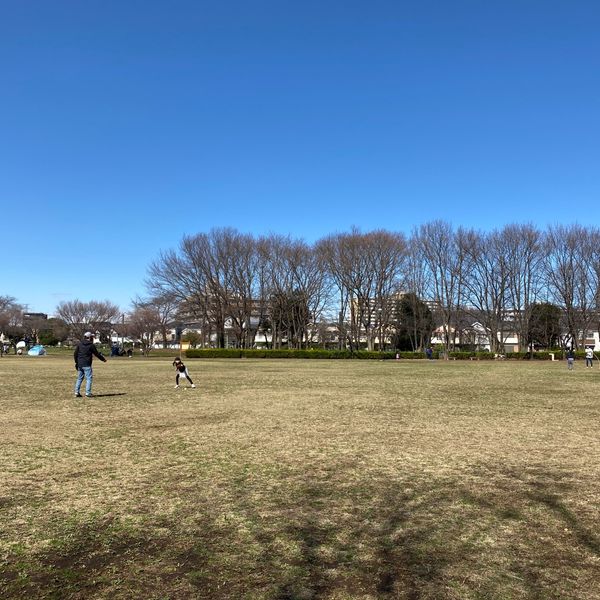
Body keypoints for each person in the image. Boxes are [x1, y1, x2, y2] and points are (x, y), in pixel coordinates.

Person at [74, 332, 107, 397]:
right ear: (89, 337)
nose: (92, 338)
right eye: (92, 337)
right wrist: (103, 359)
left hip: (80, 364)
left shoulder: (80, 344)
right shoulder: (91, 345)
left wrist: (76, 362)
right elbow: (97, 354)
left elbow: (75, 354)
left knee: (79, 378)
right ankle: (88, 393)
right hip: (87, 364)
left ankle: (76, 392)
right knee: (89, 378)